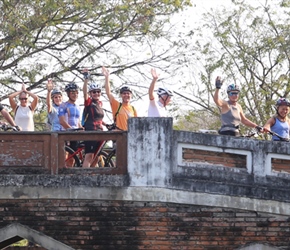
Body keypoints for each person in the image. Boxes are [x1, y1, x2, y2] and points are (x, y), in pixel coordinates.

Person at [82, 69, 105, 167]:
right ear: (91, 94)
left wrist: (107, 124)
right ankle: (84, 176)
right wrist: (86, 79)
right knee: (89, 155)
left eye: (98, 92)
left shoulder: (99, 104)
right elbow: (84, 93)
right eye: (94, 92)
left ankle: (92, 175)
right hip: (91, 131)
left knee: (96, 156)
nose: (96, 93)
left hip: (100, 131)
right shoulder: (89, 102)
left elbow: (98, 118)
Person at [102, 66, 137, 130]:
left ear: (131, 95)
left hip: (130, 135)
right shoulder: (117, 105)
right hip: (119, 135)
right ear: (121, 95)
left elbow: (137, 124)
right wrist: (107, 77)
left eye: (128, 93)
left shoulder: (133, 109)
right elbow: (108, 93)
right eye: (124, 93)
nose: (126, 95)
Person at [59, 82, 82, 168]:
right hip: (66, 133)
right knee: (65, 156)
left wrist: (81, 128)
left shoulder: (78, 106)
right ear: (68, 94)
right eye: (72, 93)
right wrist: (71, 129)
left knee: (73, 157)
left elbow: (78, 121)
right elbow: (62, 121)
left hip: (75, 134)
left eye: (76, 92)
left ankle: (70, 174)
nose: (74, 94)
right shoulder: (63, 105)